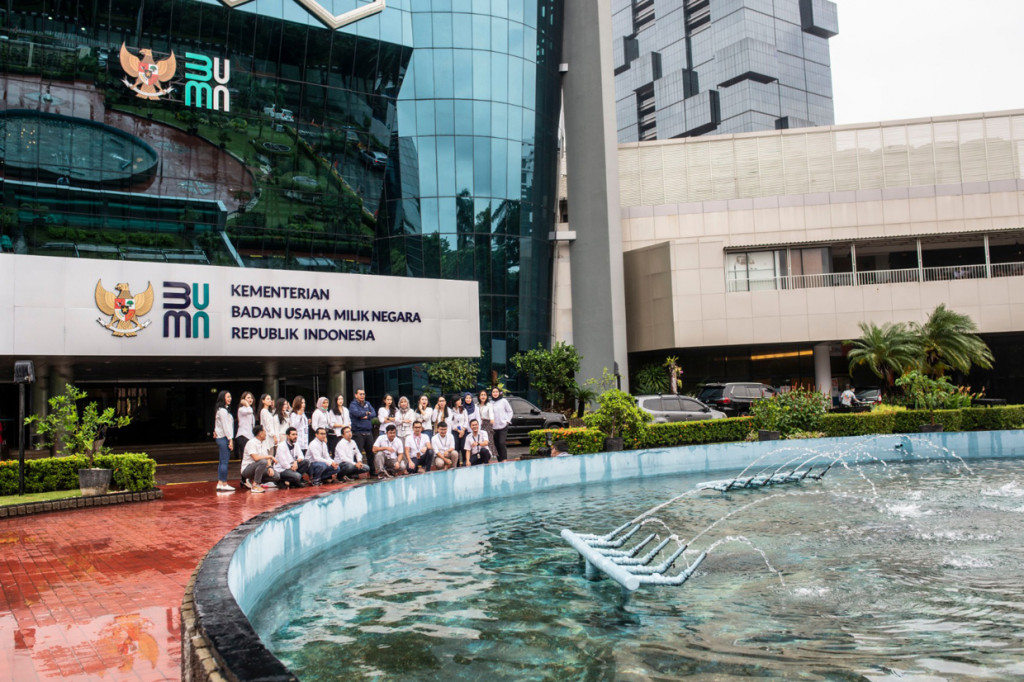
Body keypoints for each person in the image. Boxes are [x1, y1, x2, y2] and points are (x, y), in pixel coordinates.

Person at [240, 425, 279, 493]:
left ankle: (253, 480)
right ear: (260, 433)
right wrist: (270, 456)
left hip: (259, 468)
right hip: (247, 469)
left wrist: (270, 467)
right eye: (264, 431)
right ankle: (255, 485)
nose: (265, 433)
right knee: (263, 462)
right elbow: (256, 458)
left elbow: (266, 456)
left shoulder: (263, 443)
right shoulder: (251, 443)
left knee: (276, 476)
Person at [349, 388, 376, 473]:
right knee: (357, 453)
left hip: (368, 431)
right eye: (360, 394)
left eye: (363, 394)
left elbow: (374, 413)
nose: (362, 396)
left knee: (370, 453)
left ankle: (372, 471)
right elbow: (357, 413)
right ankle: (356, 472)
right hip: (358, 432)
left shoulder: (367, 403)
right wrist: (367, 413)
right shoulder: (353, 404)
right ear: (356, 395)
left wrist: (366, 416)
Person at [213, 390, 234, 492]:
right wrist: (230, 439)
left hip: (221, 437)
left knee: (222, 461)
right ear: (223, 398)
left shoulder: (221, 410)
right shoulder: (223, 411)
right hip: (224, 438)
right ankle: (224, 482)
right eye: (227, 397)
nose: (229, 399)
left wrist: (215, 431)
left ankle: (220, 483)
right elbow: (226, 427)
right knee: (224, 461)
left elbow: (217, 424)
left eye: (230, 397)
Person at [490, 387, 514, 463]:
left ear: (499, 393)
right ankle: (499, 460)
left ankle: (504, 459)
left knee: (501, 443)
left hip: (503, 426)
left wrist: (507, 421)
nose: (495, 393)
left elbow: (510, 411)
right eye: (493, 392)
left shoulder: (504, 401)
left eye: (496, 392)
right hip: (493, 427)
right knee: (496, 444)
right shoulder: (490, 402)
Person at [235, 391, 255, 459]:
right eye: (248, 398)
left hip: (249, 436)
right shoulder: (241, 409)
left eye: (251, 398)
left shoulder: (250, 409)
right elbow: (250, 411)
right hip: (243, 436)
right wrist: (246, 404)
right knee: (245, 457)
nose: (250, 399)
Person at [450, 396, 469, 465]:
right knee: (456, 448)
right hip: (455, 432)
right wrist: (458, 431)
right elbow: (451, 423)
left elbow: (466, 420)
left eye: (461, 400)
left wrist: (463, 430)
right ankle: (456, 465)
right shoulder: (451, 411)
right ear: (455, 402)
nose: (460, 402)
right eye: (459, 400)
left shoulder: (463, 410)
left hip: (464, 431)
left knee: (464, 448)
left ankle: (465, 463)